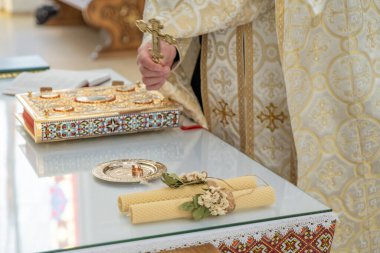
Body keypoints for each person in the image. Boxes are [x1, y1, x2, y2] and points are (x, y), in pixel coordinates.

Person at [136, 1, 379, 252]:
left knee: (304, 208)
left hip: (304, 56)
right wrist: (162, 40)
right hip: (222, 67)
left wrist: (174, 25)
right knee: (231, 207)